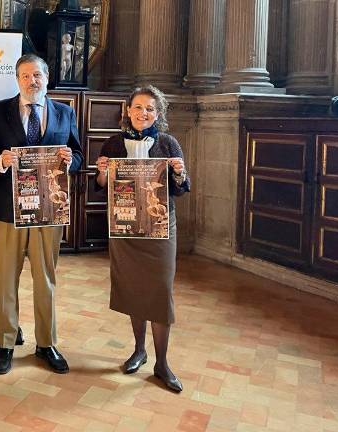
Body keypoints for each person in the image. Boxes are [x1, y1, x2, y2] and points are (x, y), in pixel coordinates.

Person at [0, 54, 83, 375]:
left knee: (45, 279)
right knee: (6, 279)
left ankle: (46, 344)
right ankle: (5, 344)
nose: (31, 80)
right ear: (17, 79)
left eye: (37, 74)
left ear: (47, 78)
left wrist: (69, 159)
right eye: (25, 75)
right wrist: (1, 161)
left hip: (49, 209)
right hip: (8, 209)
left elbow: (77, 154)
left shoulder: (65, 112)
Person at [94, 85, 190, 393]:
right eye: (138, 107)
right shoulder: (111, 143)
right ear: (127, 111)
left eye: (149, 108)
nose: (143, 113)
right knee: (134, 288)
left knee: (160, 290)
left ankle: (162, 363)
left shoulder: (168, 142)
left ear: (157, 114)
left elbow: (181, 186)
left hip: (160, 227)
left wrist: (179, 171)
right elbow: (101, 185)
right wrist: (102, 173)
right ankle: (139, 350)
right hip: (125, 228)